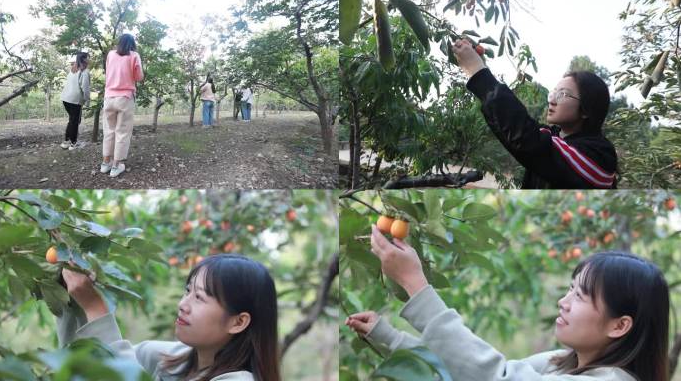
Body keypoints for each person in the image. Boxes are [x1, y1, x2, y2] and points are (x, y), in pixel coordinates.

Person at [346, 226, 670, 381]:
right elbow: (462, 373)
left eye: (580, 295)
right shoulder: (562, 363)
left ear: (620, 325)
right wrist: (387, 336)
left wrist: (415, 284)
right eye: (569, 289)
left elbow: (495, 377)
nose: (564, 302)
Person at [57, 254, 281, 381]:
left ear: (238, 322)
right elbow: (85, 366)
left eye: (200, 298)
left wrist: (97, 308)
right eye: (187, 291)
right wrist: (72, 302)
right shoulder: (162, 359)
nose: (183, 305)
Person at [451, 40, 618, 189]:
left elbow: (528, 141)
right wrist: (480, 69)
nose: (552, 100)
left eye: (563, 94)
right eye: (553, 93)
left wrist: (478, 72)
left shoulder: (599, 158)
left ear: (587, 109)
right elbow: (515, 132)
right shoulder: (556, 137)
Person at [101, 33, 144, 178]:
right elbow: (139, 77)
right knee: (122, 132)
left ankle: (105, 163)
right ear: (132, 44)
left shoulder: (111, 54)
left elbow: (108, 72)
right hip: (125, 98)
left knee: (109, 131)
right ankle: (116, 166)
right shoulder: (134, 55)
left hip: (109, 97)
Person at [60, 52, 91, 151]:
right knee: (75, 121)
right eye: (88, 58)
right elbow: (85, 88)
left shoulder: (73, 69)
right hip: (74, 100)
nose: (89, 60)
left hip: (66, 98)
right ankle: (73, 143)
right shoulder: (84, 72)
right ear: (84, 59)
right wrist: (87, 101)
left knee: (72, 120)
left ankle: (66, 142)